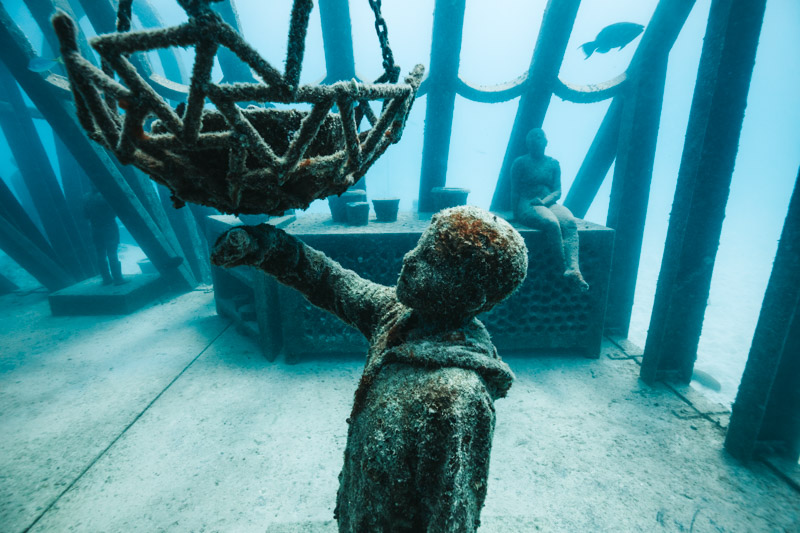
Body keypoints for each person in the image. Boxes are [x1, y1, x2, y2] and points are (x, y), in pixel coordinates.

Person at [211, 205, 528, 532]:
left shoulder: (457, 397)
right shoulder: (397, 314)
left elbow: (451, 516)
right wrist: (264, 245)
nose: (409, 259)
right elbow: (330, 282)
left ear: (471, 294)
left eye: (429, 259)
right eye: (418, 246)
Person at [512, 128, 589, 292]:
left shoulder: (553, 163)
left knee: (569, 222)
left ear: (546, 143)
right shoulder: (520, 162)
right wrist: (516, 213)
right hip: (528, 203)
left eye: (540, 137)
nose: (537, 140)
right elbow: (515, 190)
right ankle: (563, 267)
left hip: (547, 201)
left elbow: (557, 191)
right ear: (528, 144)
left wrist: (544, 201)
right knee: (551, 222)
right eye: (533, 137)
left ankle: (574, 269)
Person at [84, 187, 125, 285]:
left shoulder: (86, 197)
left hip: (95, 230)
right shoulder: (105, 195)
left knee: (100, 255)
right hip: (109, 228)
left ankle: (106, 279)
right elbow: (114, 212)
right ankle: (118, 279)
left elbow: (85, 216)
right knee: (112, 253)